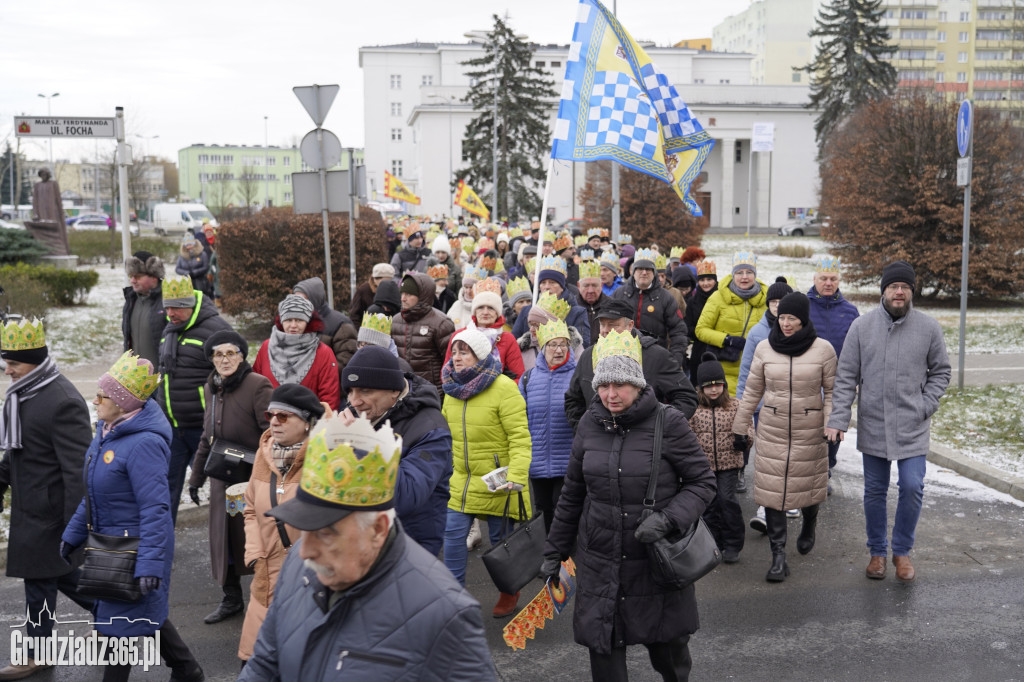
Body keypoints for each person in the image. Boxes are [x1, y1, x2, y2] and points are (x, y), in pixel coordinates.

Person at [239, 412, 497, 681]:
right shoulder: (297, 566)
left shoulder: (445, 614)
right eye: (305, 529)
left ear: (377, 530)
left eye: (327, 534)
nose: (305, 552)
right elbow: (265, 663)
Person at [539, 330, 716, 682]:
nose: (609, 394)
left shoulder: (669, 423)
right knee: (603, 647)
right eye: (603, 386)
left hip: (652, 560)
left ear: (637, 384)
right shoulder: (590, 423)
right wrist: (554, 550)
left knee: (668, 652)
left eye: (619, 385)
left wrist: (668, 519)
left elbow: (702, 482)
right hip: (599, 557)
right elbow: (572, 493)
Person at [61, 352, 204, 682]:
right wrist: (73, 535)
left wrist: (150, 564)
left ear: (124, 403)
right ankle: (186, 668)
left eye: (103, 395)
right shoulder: (106, 432)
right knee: (137, 613)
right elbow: (94, 495)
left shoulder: (143, 445)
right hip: (108, 547)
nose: (95, 400)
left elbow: (156, 509)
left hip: (133, 549)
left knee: (118, 628)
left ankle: (185, 669)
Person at [825, 261, 950, 583]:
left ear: (911, 292)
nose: (899, 292)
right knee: (875, 491)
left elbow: (941, 372)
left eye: (905, 288)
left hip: (913, 424)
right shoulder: (862, 327)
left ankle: (902, 552)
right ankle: (878, 553)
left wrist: (926, 404)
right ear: (883, 291)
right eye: (894, 287)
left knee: (912, 486)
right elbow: (846, 377)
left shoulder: (928, 328)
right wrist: (839, 418)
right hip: (875, 423)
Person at [0, 319, 93, 681]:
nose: (7, 369)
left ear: (34, 362)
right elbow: (21, 453)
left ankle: (36, 654)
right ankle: (120, 617)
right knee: (64, 581)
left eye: (13, 363)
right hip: (31, 511)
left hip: (51, 518)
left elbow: (77, 472)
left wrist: (74, 530)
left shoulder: (62, 401)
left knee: (41, 584)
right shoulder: (26, 392)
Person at [733, 293, 837, 583]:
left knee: (807, 484)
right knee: (772, 492)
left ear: (803, 319)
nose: (787, 323)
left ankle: (809, 522)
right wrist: (741, 428)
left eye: (792, 318)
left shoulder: (823, 350)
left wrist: (831, 425)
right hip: (772, 427)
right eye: (782, 318)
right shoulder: (765, 348)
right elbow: (752, 391)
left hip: (810, 428)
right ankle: (778, 556)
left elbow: (832, 392)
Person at [440, 327, 532, 617]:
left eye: (463, 351)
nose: (456, 357)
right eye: (454, 351)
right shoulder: (451, 390)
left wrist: (516, 476)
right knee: (452, 538)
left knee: (501, 542)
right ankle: (454, 598)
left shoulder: (504, 387)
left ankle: (509, 591)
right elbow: (445, 436)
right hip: (461, 480)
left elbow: (520, 437)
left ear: (479, 354)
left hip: (498, 480)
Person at [187, 330, 272, 626]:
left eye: (231, 353)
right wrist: (196, 477)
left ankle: (269, 599)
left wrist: (266, 472)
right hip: (222, 479)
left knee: (259, 539)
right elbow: (206, 437)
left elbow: (271, 434)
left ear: (241, 356)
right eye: (218, 354)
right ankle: (232, 599)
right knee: (224, 540)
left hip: (253, 478)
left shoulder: (258, 385)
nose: (225, 359)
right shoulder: (210, 388)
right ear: (211, 360)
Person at [238, 385, 326, 667]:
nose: (274, 421)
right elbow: (250, 508)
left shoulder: (324, 460)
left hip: (308, 579)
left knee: (302, 663)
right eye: (271, 415)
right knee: (255, 662)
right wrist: (254, 553)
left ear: (307, 422)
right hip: (266, 576)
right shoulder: (263, 455)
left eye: (284, 416)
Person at [339, 346, 453, 555]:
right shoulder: (360, 415)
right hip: (357, 542)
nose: (354, 401)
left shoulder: (431, 429)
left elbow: (406, 496)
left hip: (408, 549)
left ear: (394, 390)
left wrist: (359, 443)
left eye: (365, 390)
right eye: (350, 391)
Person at [158, 276, 233, 525]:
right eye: (167, 307)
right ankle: (161, 544)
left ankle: (228, 542)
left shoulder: (216, 329)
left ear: (191, 304)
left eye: (177, 307)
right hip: (173, 428)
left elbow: (238, 373)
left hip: (204, 429)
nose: (170, 313)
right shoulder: (170, 330)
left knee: (220, 487)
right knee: (165, 490)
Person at [565, 299, 698, 429]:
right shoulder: (588, 356)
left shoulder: (655, 355)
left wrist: (658, 429)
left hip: (644, 446)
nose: (605, 330)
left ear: (630, 325)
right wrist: (585, 431)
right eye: (602, 324)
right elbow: (573, 399)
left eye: (612, 325)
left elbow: (687, 398)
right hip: (599, 446)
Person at [738, 277, 793, 519]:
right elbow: (747, 370)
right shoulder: (757, 333)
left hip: (794, 405)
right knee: (767, 456)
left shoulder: (802, 332)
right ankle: (766, 504)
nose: (778, 306)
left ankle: (790, 499)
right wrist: (743, 406)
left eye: (783, 302)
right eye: (773, 302)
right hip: (765, 406)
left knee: (791, 454)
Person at [806, 256, 860, 484]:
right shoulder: (803, 307)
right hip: (808, 377)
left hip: (839, 379)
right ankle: (809, 469)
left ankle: (827, 467)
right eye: (823, 279)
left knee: (835, 424)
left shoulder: (850, 311)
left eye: (833, 279)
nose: (828, 283)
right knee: (808, 426)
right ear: (815, 279)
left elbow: (859, 346)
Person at [690, 352, 748, 564]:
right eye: (708, 385)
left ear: (723, 384)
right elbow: (687, 435)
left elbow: (748, 428)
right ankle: (713, 543)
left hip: (729, 464)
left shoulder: (734, 405)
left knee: (727, 500)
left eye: (718, 384)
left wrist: (744, 439)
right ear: (701, 387)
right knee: (709, 505)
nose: (714, 389)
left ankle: (733, 543)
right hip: (703, 467)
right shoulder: (694, 409)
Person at [520, 320, 576, 533]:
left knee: (564, 511)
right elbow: (519, 419)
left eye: (564, 344)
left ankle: (565, 559)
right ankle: (545, 558)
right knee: (542, 510)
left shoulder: (578, 377)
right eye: (553, 345)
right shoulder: (528, 379)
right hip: (537, 460)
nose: (559, 350)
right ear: (543, 348)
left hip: (568, 461)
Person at [695, 252, 767, 397]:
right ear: (733, 274)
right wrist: (727, 339)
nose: (744, 277)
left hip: (757, 371)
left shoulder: (766, 298)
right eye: (739, 272)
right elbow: (701, 329)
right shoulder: (718, 297)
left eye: (749, 272)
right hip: (725, 370)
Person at [253, 294, 341, 410]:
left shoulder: (323, 352)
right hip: (270, 420)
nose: (293, 325)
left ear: (308, 322)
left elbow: (329, 398)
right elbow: (256, 388)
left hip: (308, 423)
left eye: (299, 320)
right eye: (288, 320)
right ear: (281, 321)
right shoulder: (266, 347)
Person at [612, 248, 688, 366]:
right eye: (640, 269)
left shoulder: (666, 298)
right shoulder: (619, 294)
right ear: (633, 271)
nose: (644, 272)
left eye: (648, 269)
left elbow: (678, 331)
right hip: (623, 358)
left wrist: (674, 360)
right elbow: (608, 326)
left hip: (655, 359)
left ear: (654, 273)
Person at [445, 279, 525, 381]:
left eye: (491, 308)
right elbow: (447, 372)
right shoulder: (459, 336)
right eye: (480, 307)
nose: (485, 312)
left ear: (497, 312)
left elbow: (518, 376)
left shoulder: (507, 338)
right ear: (474, 311)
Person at [391, 272, 456, 393]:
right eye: (402, 293)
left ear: (422, 295)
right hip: (401, 391)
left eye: (409, 294)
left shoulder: (441, 323)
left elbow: (450, 363)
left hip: (431, 392)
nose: (403, 298)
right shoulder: (395, 321)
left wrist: (442, 395)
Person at [510, 256, 591, 346]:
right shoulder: (527, 311)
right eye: (543, 283)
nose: (547, 286)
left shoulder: (577, 312)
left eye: (552, 282)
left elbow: (584, 344)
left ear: (562, 286)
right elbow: (513, 343)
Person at [293, 276, 358, 376]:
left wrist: (314, 374)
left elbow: (346, 363)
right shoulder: (294, 323)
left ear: (315, 299)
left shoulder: (341, 324)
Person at [121, 251, 167, 367]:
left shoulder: (168, 301)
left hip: (161, 378)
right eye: (131, 276)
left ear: (154, 277)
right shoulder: (131, 300)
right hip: (137, 377)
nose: (132, 281)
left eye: (138, 276)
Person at [684, 260, 717, 385]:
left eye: (709, 279)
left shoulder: (722, 298)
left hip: (719, 349)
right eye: (702, 280)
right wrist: (702, 333)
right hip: (699, 349)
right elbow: (688, 326)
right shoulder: (693, 301)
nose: (706, 283)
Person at [576, 258, 607, 346]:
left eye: (594, 285)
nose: (590, 290)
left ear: (601, 285)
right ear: (578, 286)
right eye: (586, 286)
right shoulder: (570, 307)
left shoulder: (612, 306)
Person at [176, 232, 212, 297]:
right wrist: (187, 273)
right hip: (187, 283)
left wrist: (195, 272)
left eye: (190, 244)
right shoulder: (181, 256)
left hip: (201, 282)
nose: (189, 247)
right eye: (187, 245)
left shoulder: (202, 254)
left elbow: (206, 266)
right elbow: (177, 269)